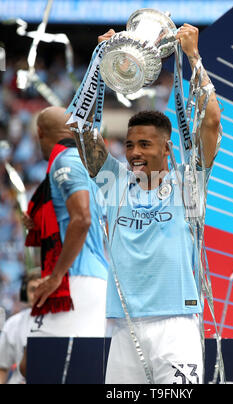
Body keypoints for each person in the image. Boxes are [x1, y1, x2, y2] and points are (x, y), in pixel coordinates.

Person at [74, 24, 221, 384]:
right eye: (129, 144)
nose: (135, 152)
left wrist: (193, 57)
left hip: (177, 325)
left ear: (167, 148)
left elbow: (212, 122)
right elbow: (81, 130)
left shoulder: (188, 183)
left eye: (145, 145)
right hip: (124, 326)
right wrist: (99, 66)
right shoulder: (114, 183)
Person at [20, 107, 108, 380]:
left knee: (37, 366)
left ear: (40, 134)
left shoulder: (65, 159)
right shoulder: (89, 166)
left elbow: (82, 219)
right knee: (75, 368)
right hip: (91, 278)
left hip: (74, 280)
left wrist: (57, 274)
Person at [0, 270, 41, 384]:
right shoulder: (13, 323)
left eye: (41, 288)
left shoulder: (62, 323)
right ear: (24, 292)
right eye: (33, 289)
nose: (37, 294)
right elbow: (2, 368)